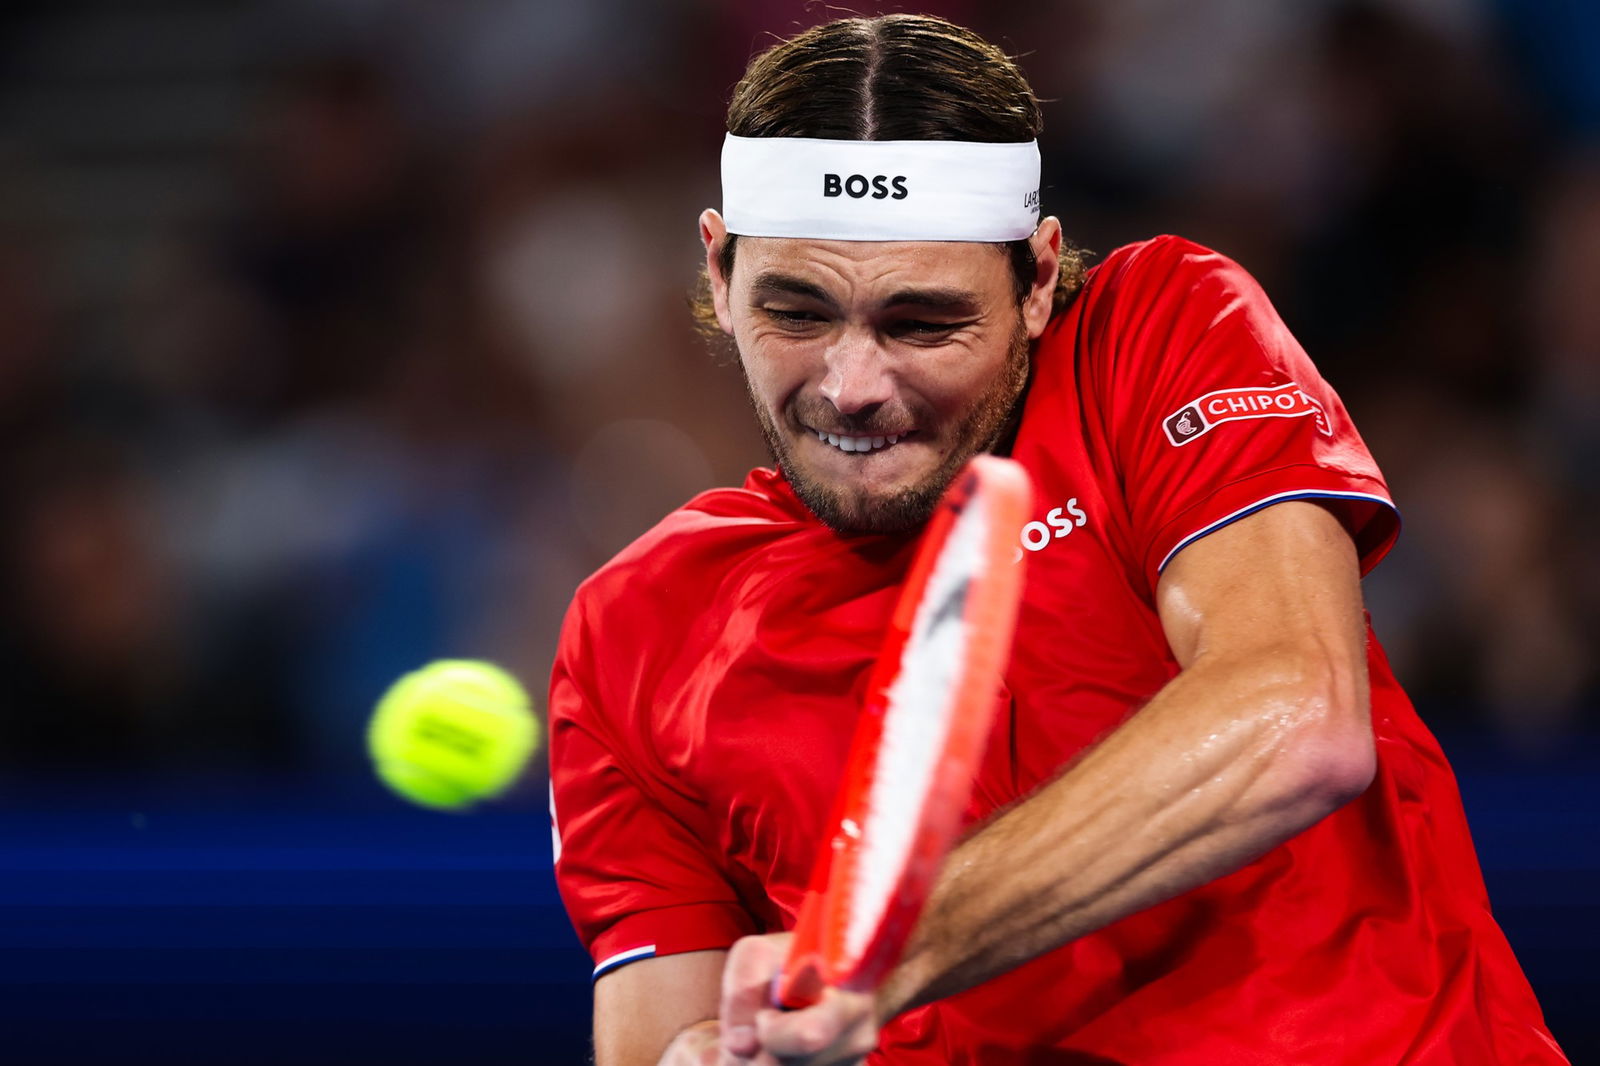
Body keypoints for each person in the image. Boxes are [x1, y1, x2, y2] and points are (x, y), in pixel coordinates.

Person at [548, 14, 1567, 1065]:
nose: (852, 388)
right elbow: (662, 1038)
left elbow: (1298, 714)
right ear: (718, 271)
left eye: (921, 323)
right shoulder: (632, 629)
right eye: (796, 313)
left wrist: (881, 948)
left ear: (1038, 282)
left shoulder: (1156, 329)